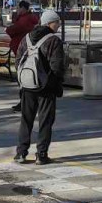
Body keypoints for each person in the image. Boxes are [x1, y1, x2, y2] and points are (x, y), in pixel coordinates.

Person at [15, 9, 65, 165]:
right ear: (49, 23)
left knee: (26, 119)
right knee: (45, 121)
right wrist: (55, 85)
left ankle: (21, 153)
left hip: (27, 85)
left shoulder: (27, 38)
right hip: (45, 88)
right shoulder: (53, 41)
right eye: (57, 22)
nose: (59, 25)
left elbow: (18, 60)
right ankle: (41, 154)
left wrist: (23, 80)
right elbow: (57, 67)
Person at [6, 1, 40, 111]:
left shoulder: (25, 19)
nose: (17, 10)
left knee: (22, 78)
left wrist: (8, 29)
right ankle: (26, 101)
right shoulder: (29, 18)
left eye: (18, 8)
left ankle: (25, 102)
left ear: (23, 8)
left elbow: (14, 29)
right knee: (25, 77)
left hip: (23, 52)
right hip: (25, 50)